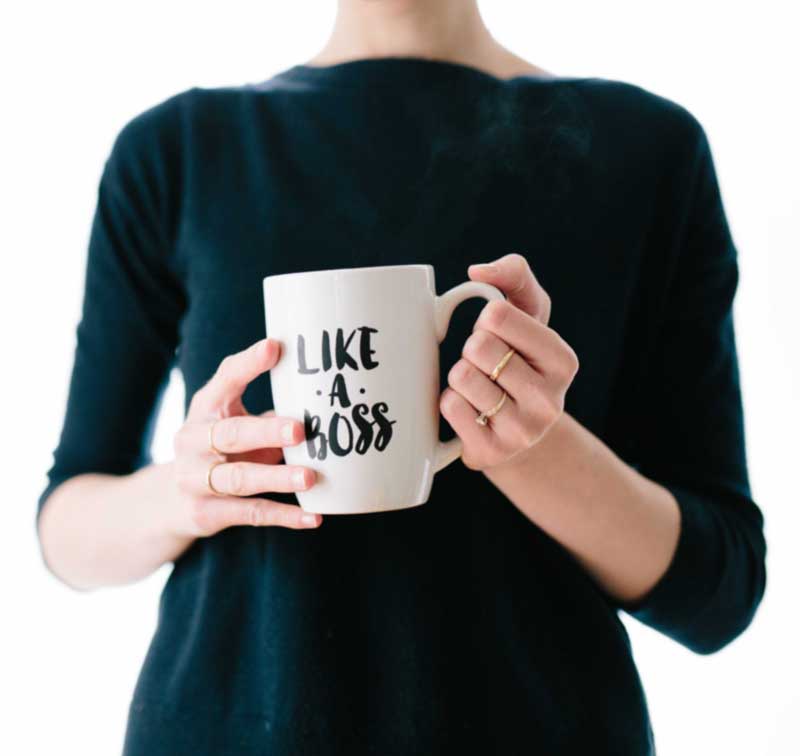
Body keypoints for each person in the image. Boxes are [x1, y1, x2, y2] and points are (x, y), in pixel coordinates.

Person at [36, 1, 766, 754]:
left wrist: (532, 449)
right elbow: (65, 528)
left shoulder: (647, 151)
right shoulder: (177, 152)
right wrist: (186, 491)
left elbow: (720, 592)